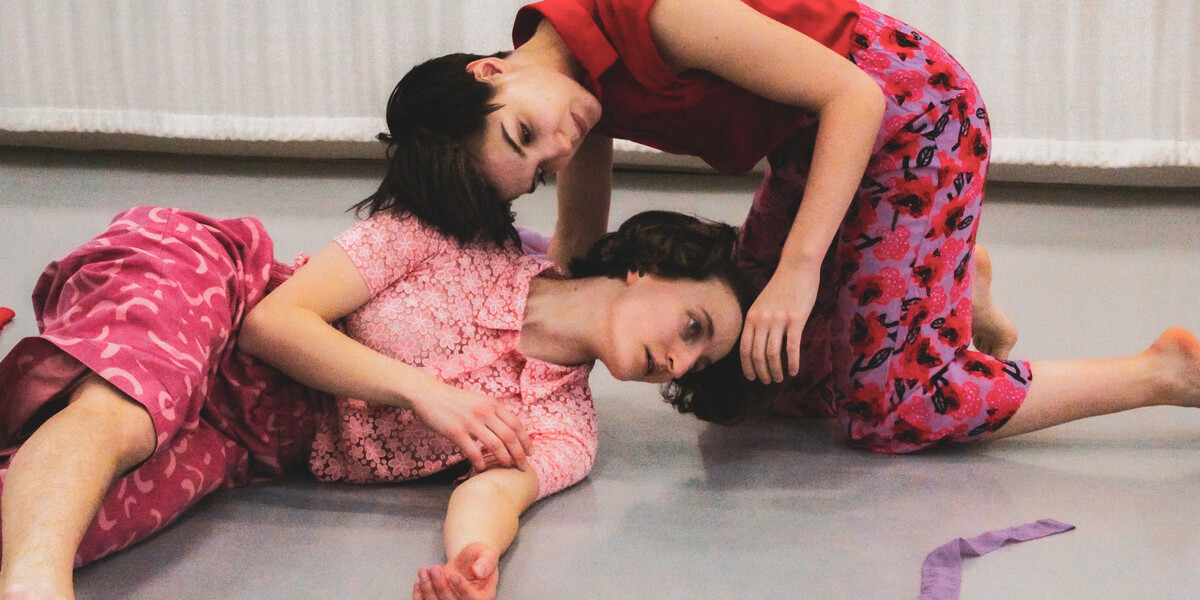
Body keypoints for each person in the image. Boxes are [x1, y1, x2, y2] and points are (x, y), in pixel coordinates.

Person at [380, 0, 1200, 453]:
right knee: (762, 374)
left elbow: (859, 97)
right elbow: (577, 253)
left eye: (527, 134)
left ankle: (1157, 373)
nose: (562, 143)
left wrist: (803, 268)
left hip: (913, 121)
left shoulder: (653, 13)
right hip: (814, 151)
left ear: (488, 71)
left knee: (895, 405)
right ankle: (950, 289)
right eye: (540, 165)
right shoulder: (570, 87)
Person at [0, 161, 752, 600]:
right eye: (693, 326)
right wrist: (420, 390)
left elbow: (493, 494)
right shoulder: (455, 239)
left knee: (63, 520)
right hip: (216, 296)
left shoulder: (568, 427)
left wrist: (473, 562)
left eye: (697, 364)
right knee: (128, 421)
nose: (679, 363)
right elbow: (273, 322)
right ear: (650, 264)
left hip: (247, 444)